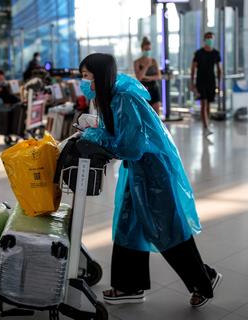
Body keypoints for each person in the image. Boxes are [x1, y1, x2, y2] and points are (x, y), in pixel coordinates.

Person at [79, 53, 222, 308]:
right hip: (138, 172)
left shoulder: (125, 98)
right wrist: (96, 130)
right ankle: (128, 286)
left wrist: (94, 136)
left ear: (100, 76)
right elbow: (121, 134)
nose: (84, 83)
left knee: (166, 229)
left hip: (152, 174)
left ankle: (204, 279)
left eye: (87, 77)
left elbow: (130, 146)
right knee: (128, 226)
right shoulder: (115, 96)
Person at [191, 32, 222, 136]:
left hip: (211, 81)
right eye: (208, 38)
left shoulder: (216, 53)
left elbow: (219, 69)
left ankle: (206, 123)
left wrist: (219, 83)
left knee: (208, 105)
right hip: (201, 81)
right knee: (203, 104)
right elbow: (193, 68)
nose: (209, 40)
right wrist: (192, 83)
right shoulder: (199, 53)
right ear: (204, 39)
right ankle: (205, 127)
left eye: (211, 38)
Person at [134, 37, 161, 115]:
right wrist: (146, 66)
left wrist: (147, 77)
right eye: (146, 50)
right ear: (142, 49)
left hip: (154, 87)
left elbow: (158, 76)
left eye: (149, 49)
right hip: (143, 88)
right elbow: (139, 77)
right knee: (145, 114)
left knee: (156, 114)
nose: (148, 51)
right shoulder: (137, 62)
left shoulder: (154, 61)